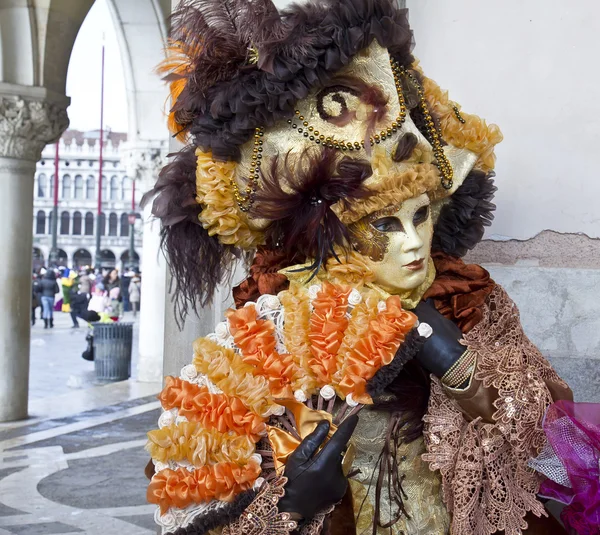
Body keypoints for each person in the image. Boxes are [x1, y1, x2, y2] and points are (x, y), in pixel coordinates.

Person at [142, 2, 573, 534]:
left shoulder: (469, 300)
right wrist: (293, 500)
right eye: (385, 226)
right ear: (330, 234)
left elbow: (550, 440)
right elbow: (219, 486)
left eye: (422, 217)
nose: (415, 244)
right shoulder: (277, 320)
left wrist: (453, 359)